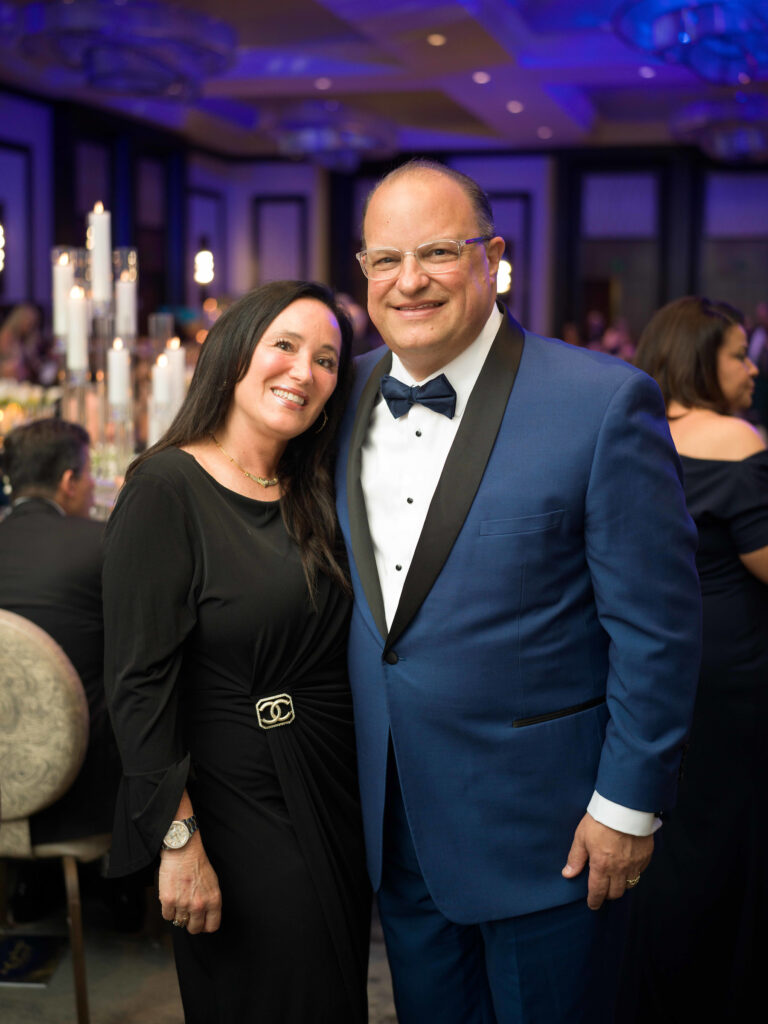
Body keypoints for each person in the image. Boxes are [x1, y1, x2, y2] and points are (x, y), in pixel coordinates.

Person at [334, 159, 702, 1023]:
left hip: (553, 834)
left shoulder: (603, 401)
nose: (409, 280)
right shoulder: (338, 396)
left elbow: (658, 630)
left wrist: (628, 807)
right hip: (398, 824)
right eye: (386, 259)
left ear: (492, 258)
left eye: (437, 252)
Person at [102, 280, 370, 1023]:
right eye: (284, 345)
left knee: (334, 993)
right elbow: (137, 685)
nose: (304, 371)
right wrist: (178, 838)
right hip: (231, 799)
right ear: (233, 350)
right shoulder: (165, 487)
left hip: (329, 783)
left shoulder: (316, 486)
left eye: (326, 360)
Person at [619, 296, 768, 1021]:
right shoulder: (734, 438)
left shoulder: (629, 433)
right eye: (739, 354)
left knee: (668, 842)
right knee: (727, 844)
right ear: (700, 359)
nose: (753, 368)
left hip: (650, 664)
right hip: (733, 675)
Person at [0, 418, 125, 921]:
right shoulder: (102, 543)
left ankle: (32, 886)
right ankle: (125, 889)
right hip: (88, 795)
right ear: (70, 481)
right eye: (90, 474)